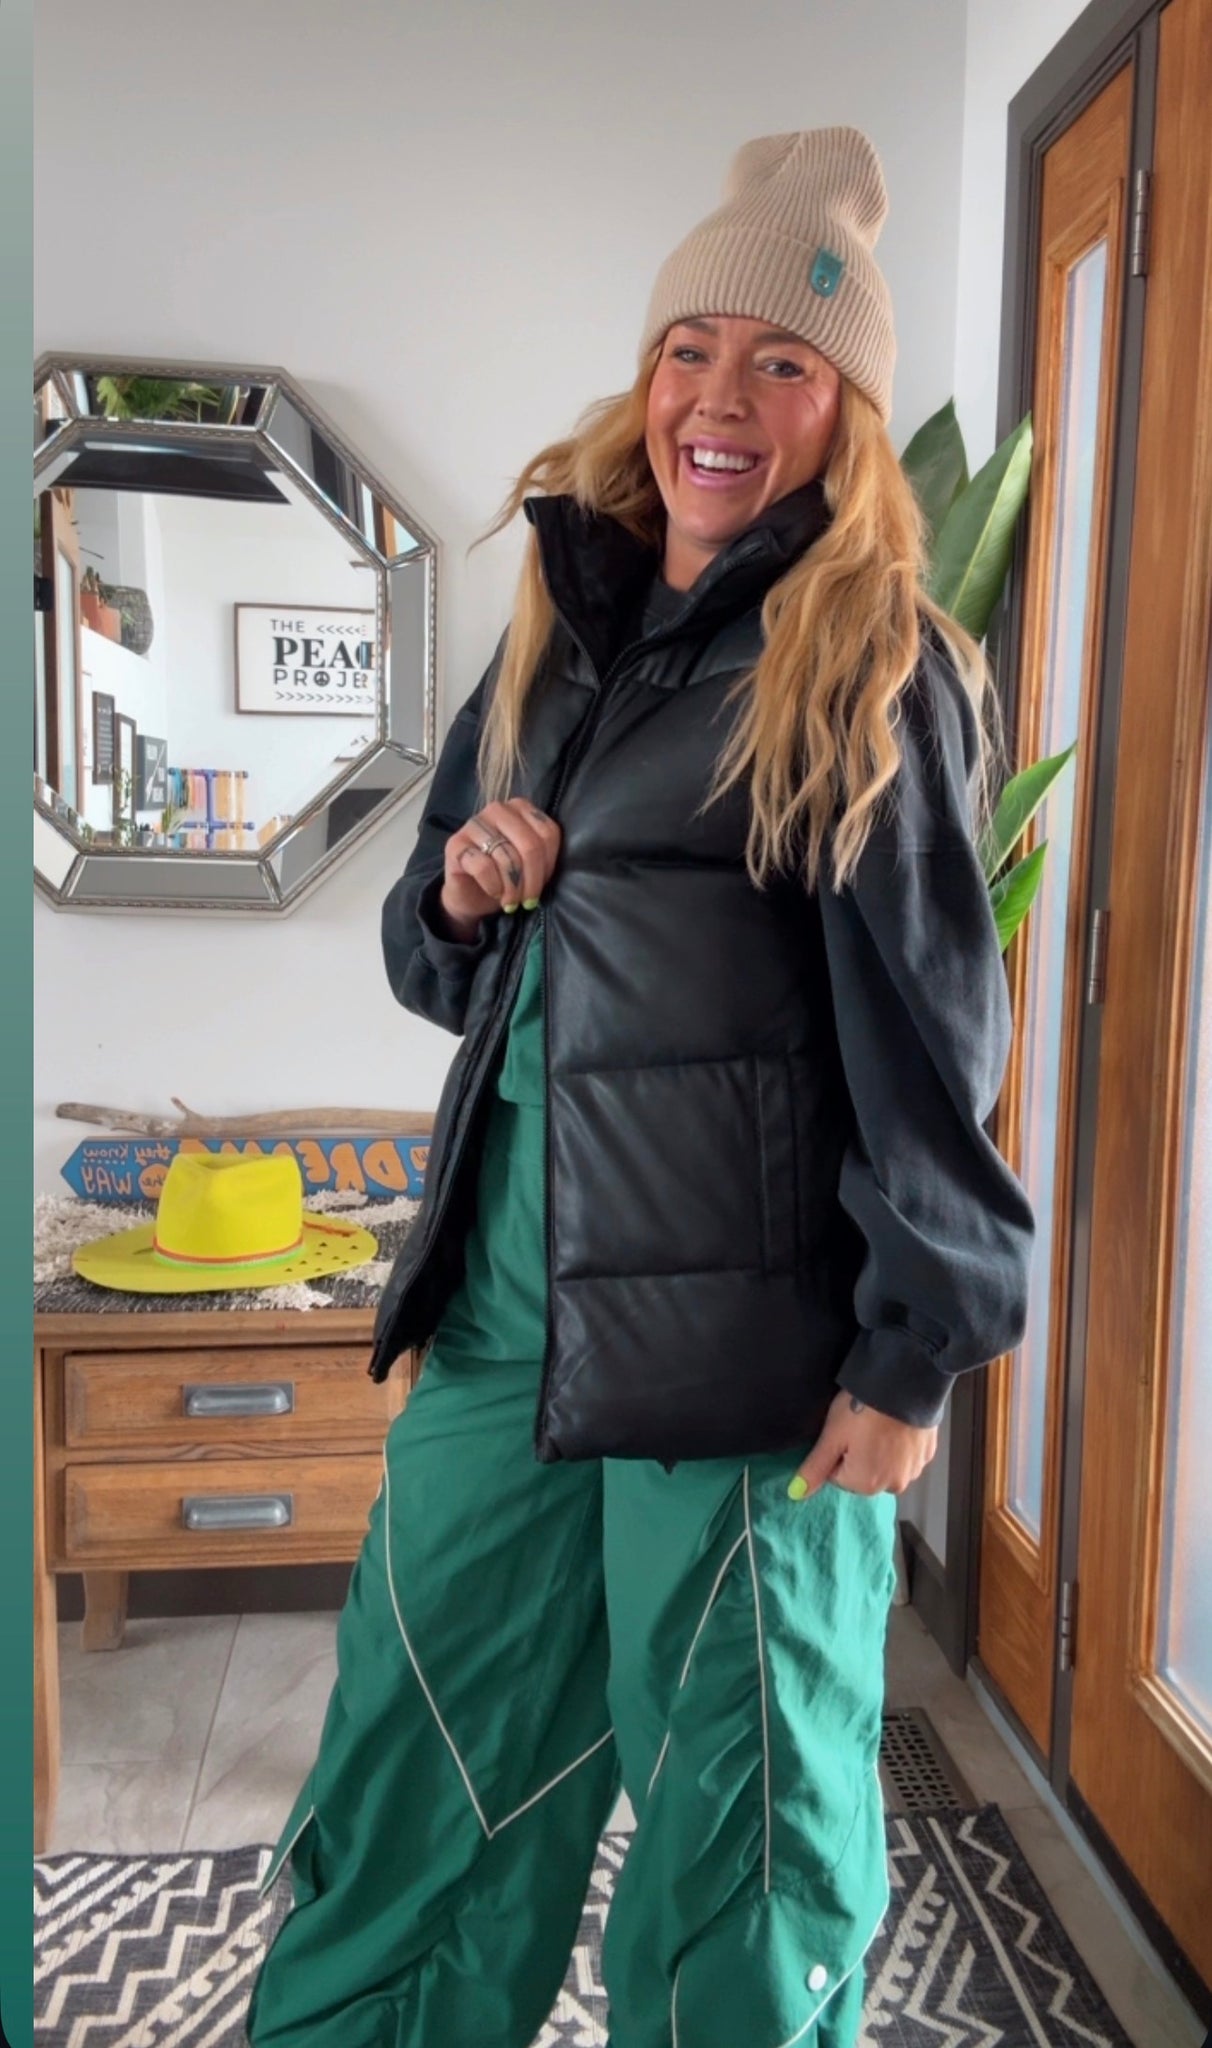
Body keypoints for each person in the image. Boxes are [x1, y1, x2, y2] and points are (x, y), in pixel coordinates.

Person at [246, 126, 1034, 2048]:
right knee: (422, 1771)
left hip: (750, 1351)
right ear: (646, 374)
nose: (720, 397)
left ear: (846, 415)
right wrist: (465, 889)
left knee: (735, 1842)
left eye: (783, 362)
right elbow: (439, 959)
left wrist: (911, 1360)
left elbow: (936, 1035)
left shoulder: (874, 662)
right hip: (509, 1313)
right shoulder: (557, 631)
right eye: (692, 348)